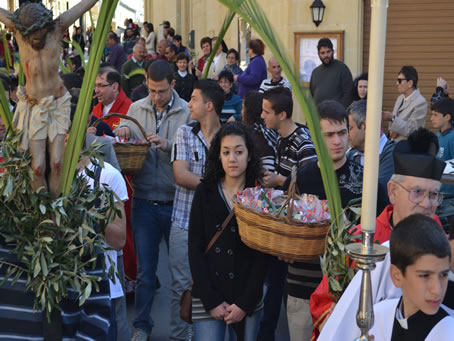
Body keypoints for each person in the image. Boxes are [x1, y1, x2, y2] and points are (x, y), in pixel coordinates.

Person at [318, 127, 447, 341]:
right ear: (393, 192)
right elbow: (324, 300)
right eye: (417, 192)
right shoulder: (359, 240)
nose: (426, 204)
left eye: (433, 195)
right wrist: (335, 313)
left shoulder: (443, 243)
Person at [116, 60, 191, 341]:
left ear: (172, 84)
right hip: (144, 199)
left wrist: (167, 145)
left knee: (180, 273)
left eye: (161, 91)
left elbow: (194, 152)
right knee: (146, 272)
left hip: (177, 202)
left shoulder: (186, 111)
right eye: (152, 90)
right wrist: (123, 132)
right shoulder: (136, 108)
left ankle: (182, 328)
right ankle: (142, 326)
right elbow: (125, 135)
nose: (156, 97)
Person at [281, 100, 363, 341]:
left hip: (350, 292)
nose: (337, 141)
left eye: (341, 133)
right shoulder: (300, 178)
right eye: (328, 135)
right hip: (303, 287)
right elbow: (283, 226)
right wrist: (285, 248)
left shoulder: (364, 181)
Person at [0, 0, 98, 196]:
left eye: (40, 34)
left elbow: (83, 5)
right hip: (33, 107)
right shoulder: (18, 30)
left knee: (57, 163)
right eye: (32, 36)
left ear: (46, 26)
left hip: (57, 104)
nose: (37, 39)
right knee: (37, 168)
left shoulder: (57, 27)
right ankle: (41, 215)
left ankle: (56, 213)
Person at [188, 122, 269, 341]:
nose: (232, 158)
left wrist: (245, 302)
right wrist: (211, 300)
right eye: (226, 152)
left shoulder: (259, 196)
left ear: (249, 155)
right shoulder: (204, 191)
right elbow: (194, 247)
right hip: (209, 294)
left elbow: (263, 254)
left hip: (246, 296)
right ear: (219, 156)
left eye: (239, 152)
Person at [169, 79, 223, 341]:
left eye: (193, 99)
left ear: (209, 105)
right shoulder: (184, 133)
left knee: (211, 287)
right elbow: (181, 175)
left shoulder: (229, 137)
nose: (188, 104)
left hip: (217, 229)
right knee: (181, 287)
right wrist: (216, 184)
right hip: (183, 222)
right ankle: (181, 337)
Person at [369, 214, 454, 341]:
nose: (437, 290)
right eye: (425, 275)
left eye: (443, 275)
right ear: (397, 276)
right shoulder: (379, 315)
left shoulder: (448, 332)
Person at [261, 86, 316, 188]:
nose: (262, 115)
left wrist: (278, 180)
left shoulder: (303, 144)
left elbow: (312, 184)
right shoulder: (280, 137)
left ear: (282, 115)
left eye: (267, 112)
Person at [347, 100, 396, 192]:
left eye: (349, 128)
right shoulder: (350, 154)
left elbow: (380, 192)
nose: (347, 134)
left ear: (364, 126)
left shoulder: (393, 153)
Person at [382, 65, 427, 141]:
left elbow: (414, 130)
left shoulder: (420, 102)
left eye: (399, 81)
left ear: (410, 83)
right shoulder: (400, 98)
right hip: (393, 144)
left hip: (407, 148)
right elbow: (393, 124)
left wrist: (392, 118)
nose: (397, 83)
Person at [309, 38, 353, 107]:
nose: (326, 55)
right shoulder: (315, 72)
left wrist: (340, 112)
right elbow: (312, 95)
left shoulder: (342, 69)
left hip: (336, 115)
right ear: (318, 54)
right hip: (318, 115)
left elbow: (349, 94)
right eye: (322, 53)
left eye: (328, 51)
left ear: (333, 51)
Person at [241, 91, 277, 173]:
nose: (241, 112)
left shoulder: (255, 135)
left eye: (243, 108)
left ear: (250, 111)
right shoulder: (269, 130)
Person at [431, 97, 454, 195]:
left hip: (449, 198)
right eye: (432, 114)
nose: (431, 118)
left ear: (447, 117)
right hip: (438, 193)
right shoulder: (437, 135)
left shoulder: (452, 138)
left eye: (435, 115)